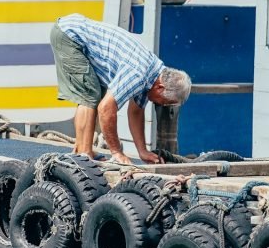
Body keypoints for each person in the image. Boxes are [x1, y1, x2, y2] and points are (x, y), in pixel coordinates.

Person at [50, 13, 191, 164]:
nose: (160, 105)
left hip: (74, 32)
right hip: (70, 34)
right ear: (160, 88)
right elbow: (106, 109)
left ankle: (83, 149)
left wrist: (142, 151)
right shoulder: (139, 73)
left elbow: (136, 112)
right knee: (90, 94)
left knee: (94, 93)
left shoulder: (153, 77)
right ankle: (84, 154)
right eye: (163, 102)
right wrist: (116, 152)